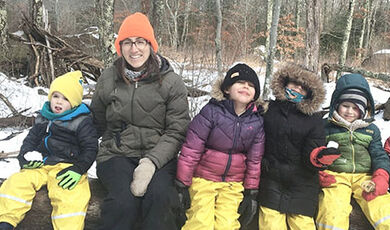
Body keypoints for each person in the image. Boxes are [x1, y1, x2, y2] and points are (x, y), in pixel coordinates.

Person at [90, 12, 190, 230]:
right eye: (127, 42)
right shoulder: (108, 78)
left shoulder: (171, 82)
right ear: (120, 46)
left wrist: (151, 162)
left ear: (150, 44)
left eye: (140, 42)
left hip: (160, 157)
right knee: (122, 203)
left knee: (161, 198)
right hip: (116, 154)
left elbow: (177, 130)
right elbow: (95, 122)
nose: (134, 49)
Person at [0, 71, 98, 230]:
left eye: (65, 98)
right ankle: (5, 222)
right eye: (56, 96)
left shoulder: (82, 121)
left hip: (66, 168)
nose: (59, 102)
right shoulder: (43, 117)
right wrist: (24, 158)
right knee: (16, 183)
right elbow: (30, 140)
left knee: (70, 198)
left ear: (74, 102)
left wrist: (78, 169)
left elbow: (91, 148)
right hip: (40, 165)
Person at [175, 63, 265, 230]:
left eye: (251, 85)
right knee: (201, 222)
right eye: (240, 83)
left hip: (233, 183)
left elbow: (255, 160)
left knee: (228, 224)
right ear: (227, 89)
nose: (246, 86)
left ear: (255, 95)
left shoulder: (256, 122)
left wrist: (251, 191)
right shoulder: (211, 112)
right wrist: (182, 183)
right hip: (203, 179)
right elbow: (192, 149)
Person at [258, 63, 336, 230]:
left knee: (302, 224)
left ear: (310, 93)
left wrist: (319, 158)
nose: (298, 89)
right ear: (284, 83)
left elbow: (313, 149)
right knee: (270, 223)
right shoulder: (267, 109)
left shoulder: (313, 119)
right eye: (294, 83)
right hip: (272, 178)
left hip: (303, 181)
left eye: (304, 87)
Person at [316, 73, 390, 230]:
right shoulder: (325, 127)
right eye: (345, 105)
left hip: (365, 176)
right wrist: (318, 171)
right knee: (331, 211)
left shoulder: (371, 130)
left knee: (382, 207)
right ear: (336, 104)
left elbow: (379, 154)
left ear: (364, 109)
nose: (350, 111)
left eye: (356, 108)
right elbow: (315, 152)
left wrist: (381, 175)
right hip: (336, 175)